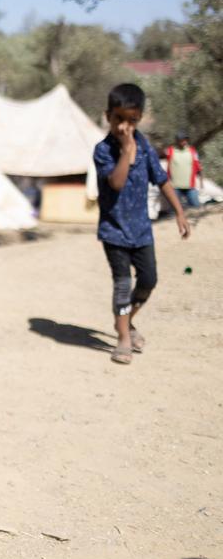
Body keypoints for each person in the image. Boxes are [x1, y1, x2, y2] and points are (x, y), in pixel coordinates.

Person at [94, 83, 191, 365]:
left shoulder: (146, 146)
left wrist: (180, 213)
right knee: (123, 284)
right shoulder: (103, 150)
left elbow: (161, 179)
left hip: (141, 231)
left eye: (131, 121)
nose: (125, 126)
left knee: (148, 281)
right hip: (114, 232)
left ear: (139, 119)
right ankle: (123, 338)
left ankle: (125, 321)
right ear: (108, 116)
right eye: (119, 119)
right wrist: (126, 150)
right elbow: (117, 181)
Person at [166, 130, 202, 208]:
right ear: (177, 141)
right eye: (181, 140)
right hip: (175, 187)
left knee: (196, 207)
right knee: (174, 209)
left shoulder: (192, 151)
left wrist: (201, 183)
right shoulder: (170, 151)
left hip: (190, 186)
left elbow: (198, 166)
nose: (183, 142)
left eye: (185, 140)